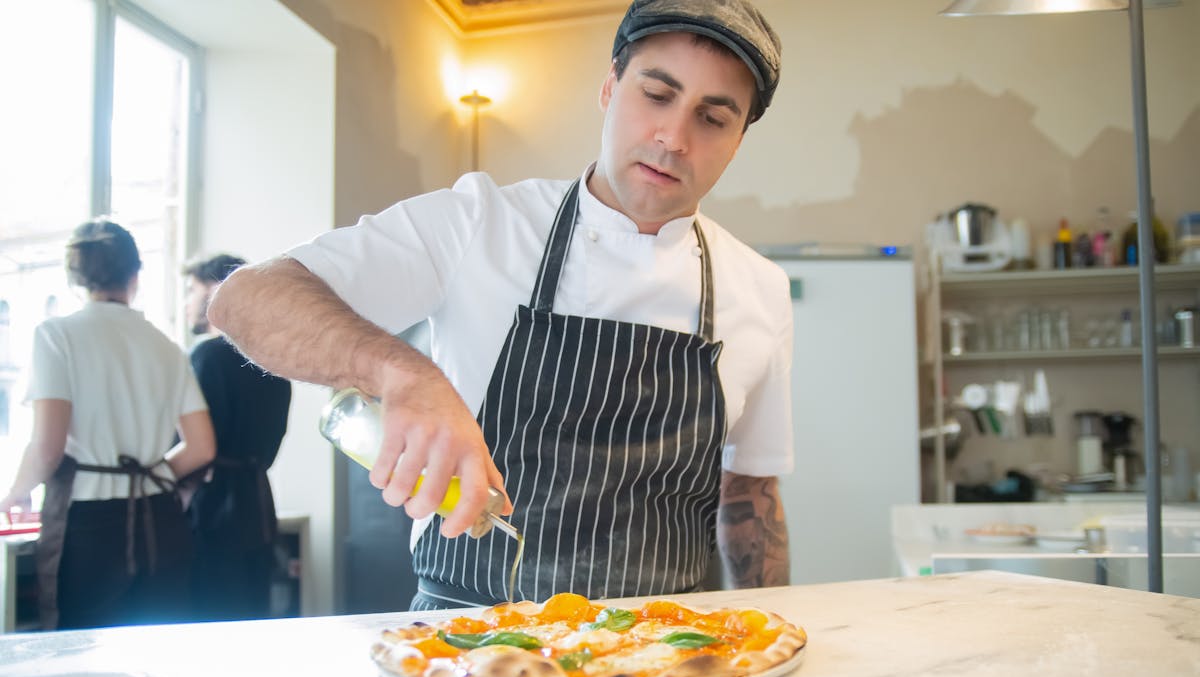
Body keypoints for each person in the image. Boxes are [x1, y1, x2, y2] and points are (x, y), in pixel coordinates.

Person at [210, 0, 792, 611]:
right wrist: (401, 372)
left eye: (713, 117)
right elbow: (245, 300)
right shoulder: (478, 222)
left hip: (666, 654)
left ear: (738, 140)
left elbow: (749, 491)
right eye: (656, 94)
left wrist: (775, 631)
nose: (673, 138)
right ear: (610, 88)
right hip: (466, 645)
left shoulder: (759, 288)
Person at [0, 220, 215, 630]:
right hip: (162, 522)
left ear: (73, 278)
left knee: (81, 654)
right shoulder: (166, 346)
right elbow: (202, 447)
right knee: (158, 657)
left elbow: (47, 446)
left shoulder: (56, 335)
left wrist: (15, 493)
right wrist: (150, 474)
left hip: (90, 526)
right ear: (135, 276)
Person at [182, 253, 291, 621]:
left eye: (192, 290)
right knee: (252, 617)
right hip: (259, 504)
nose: (187, 302)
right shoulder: (277, 363)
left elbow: (193, 446)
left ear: (217, 291)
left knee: (209, 620)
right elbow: (272, 448)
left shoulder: (207, 357)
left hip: (213, 508)